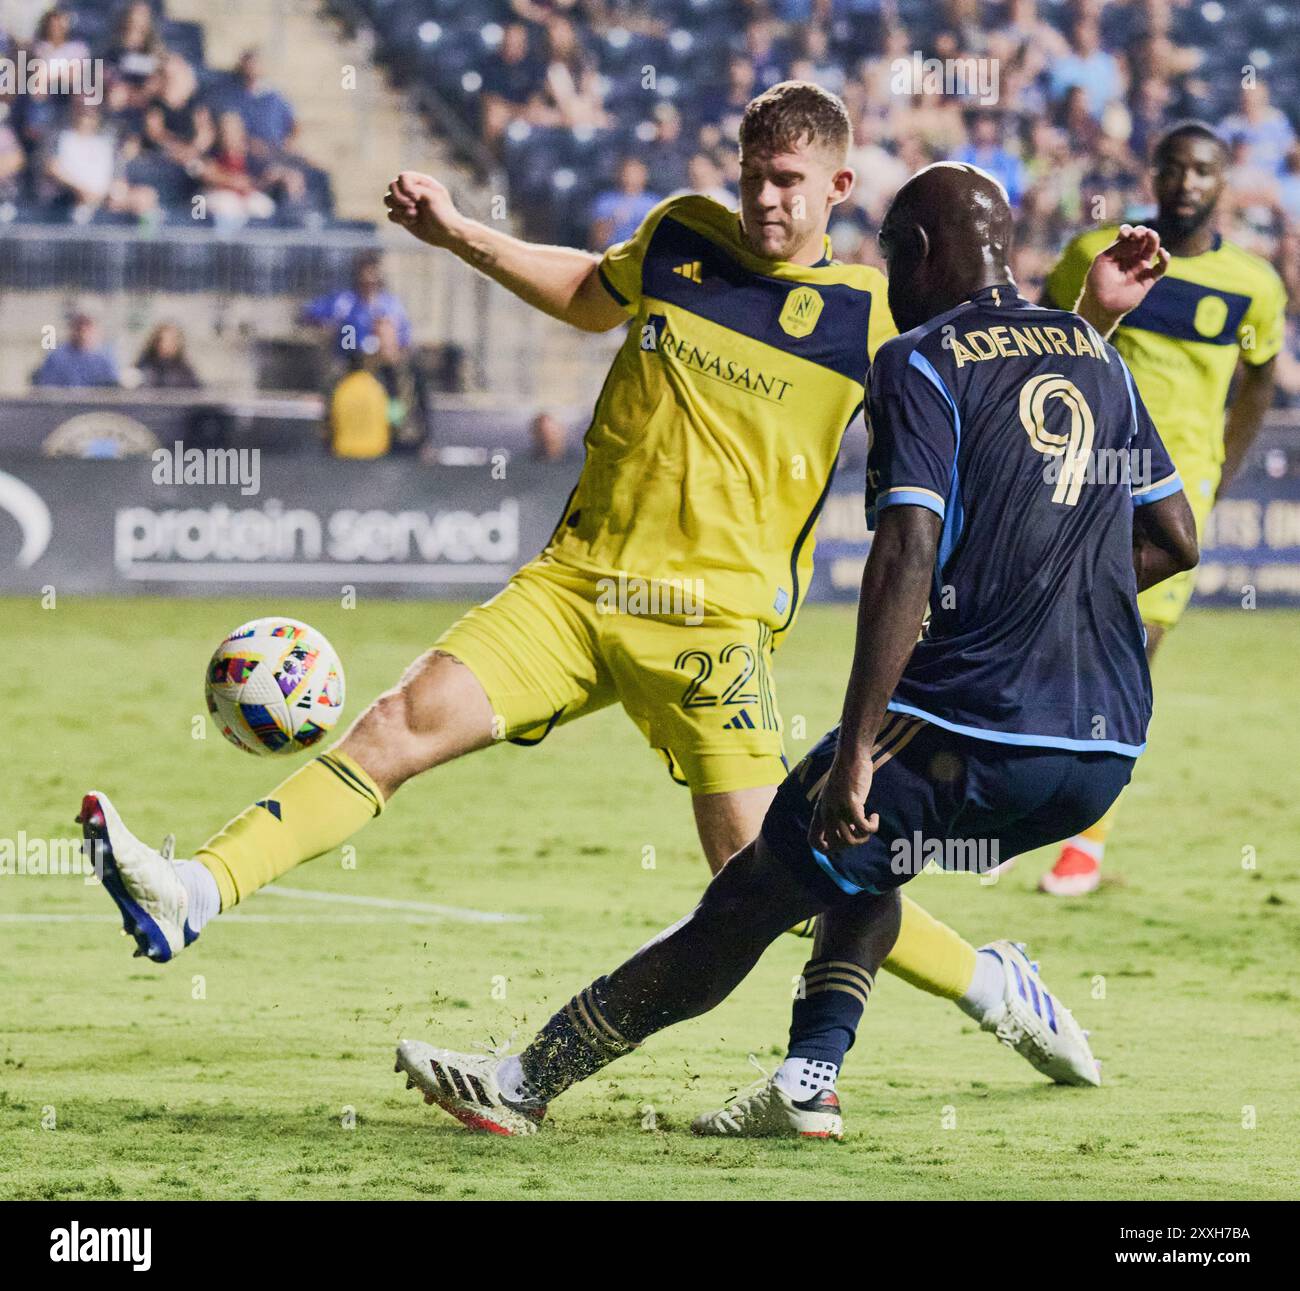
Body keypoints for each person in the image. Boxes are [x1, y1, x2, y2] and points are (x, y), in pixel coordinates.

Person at [80, 84, 1134, 1097]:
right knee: (397, 723)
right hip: (573, 592)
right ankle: (194, 891)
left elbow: (1008, 381)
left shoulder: (869, 317)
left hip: (712, 632)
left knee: (773, 875)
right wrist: (460, 235)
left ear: (839, 186)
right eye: (751, 177)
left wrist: (1093, 315)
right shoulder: (679, 235)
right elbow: (588, 292)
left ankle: (993, 985)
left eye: (786, 181)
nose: (764, 199)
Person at [389, 166, 1198, 1138]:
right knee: (865, 860)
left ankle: (524, 1080)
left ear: (918, 255)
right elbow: (1176, 538)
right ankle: (810, 1077)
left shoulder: (918, 360)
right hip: (1104, 751)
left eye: (890, 255)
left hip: (976, 725)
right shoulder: (1089, 352)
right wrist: (1053, 600)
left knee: (753, 892)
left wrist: (858, 743)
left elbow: (902, 553)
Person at [1038, 120, 1287, 895]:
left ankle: (1085, 841)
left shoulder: (1256, 285)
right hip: (1084, 480)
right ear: (1153, 173)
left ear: (1224, 181)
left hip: (1171, 504)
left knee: (1126, 660)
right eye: (1174, 168)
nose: (1187, 182)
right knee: (1043, 646)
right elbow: (1046, 339)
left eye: (1203, 170)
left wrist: (1219, 465)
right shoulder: (1096, 255)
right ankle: (1024, 808)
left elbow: (1261, 378)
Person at [300, 251, 412, 357]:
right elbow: (309, 313)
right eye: (364, 277)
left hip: (383, 362)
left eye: (373, 276)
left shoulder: (391, 305)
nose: (369, 281)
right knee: (348, 326)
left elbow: (404, 336)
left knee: (385, 324)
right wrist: (325, 327)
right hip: (350, 360)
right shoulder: (344, 301)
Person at [33, 307, 121, 387]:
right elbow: (46, 388)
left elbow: (112, 391)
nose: (83, 331)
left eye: (88, 326)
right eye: (79, 326)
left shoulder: (105, 358)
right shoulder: (56, 357)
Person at [134, 322, 201, 389]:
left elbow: (196, 391)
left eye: (171, 340)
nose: (166, 344)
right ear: (156, 342)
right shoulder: (144, 366)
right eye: (163, 340)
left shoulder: (185, 371)